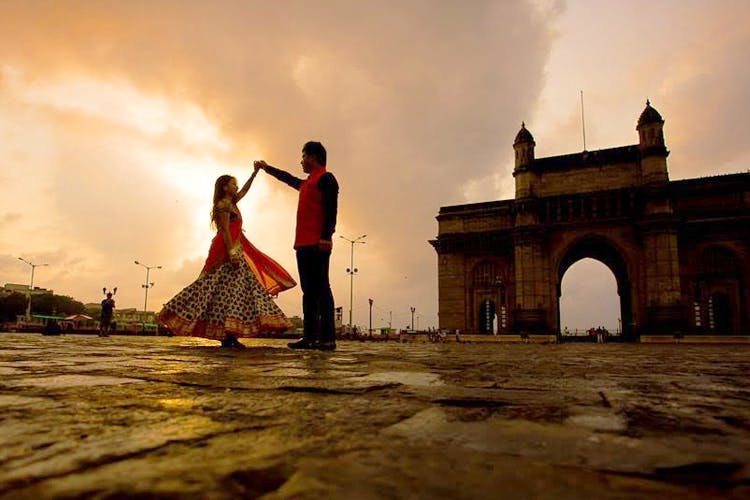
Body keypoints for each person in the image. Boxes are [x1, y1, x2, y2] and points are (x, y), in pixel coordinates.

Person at [156, 167, 296, 347]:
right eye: (233, 184)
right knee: (218, 289)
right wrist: (231, 253)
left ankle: (229, 334)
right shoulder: (223, 205)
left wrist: (254, 174)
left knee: (232, 291)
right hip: (227, 250)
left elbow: (245, 190)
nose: (236, 187)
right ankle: (223, 333)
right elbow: (225, 231)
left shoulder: (232, 203)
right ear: (224, 187)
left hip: (234, 248)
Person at [256, 141, 339, 351]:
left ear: (313, 157)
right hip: (302, 244)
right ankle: (309, 337)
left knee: (322, 289)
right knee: (308, 292)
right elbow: (289, 179)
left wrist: (326, 237)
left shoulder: (326, 179)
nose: (301, 161)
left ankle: (328, 338)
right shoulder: (307, 183)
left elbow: (331, 210)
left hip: (318, 243)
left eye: (303, 157)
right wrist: (267, 168)